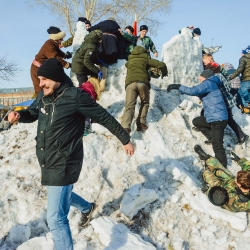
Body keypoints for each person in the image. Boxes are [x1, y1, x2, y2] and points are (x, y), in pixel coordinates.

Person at [8, 58, 135, 250]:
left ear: (57, 78)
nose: (41, 84)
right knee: (59, 193)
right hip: (47, 159)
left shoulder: (75, 96)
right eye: (39, 79)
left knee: (55, 218)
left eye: (44, 79)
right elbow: (33, 113)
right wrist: (19, 116)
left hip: (65, 160)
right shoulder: (43, 95)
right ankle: (87, 208)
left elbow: (104, 117)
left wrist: (125, 139)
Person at [167, 69, 228, 167]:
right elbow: (199, 93)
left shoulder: (209, 83)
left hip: (218, 119)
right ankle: (212, 137)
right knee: (197, 121)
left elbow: (194, 91)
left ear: (205, 76)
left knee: (217, 146)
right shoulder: (211, 84)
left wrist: (178, 86)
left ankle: (222, 169)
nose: (199, 78)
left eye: (200, 76)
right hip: (214, 118)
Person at [121, 45, 168, 134]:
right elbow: (161, 65)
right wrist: (164, 72)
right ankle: (141, 123)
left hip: (130, 84)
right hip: (143, 84)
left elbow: (127, 65)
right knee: (145, 103)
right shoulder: (146, 59)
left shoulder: (129, 61)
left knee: (129, 106)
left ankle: (125, 127)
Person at [202, 55, 249, 144]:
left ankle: (214, 137)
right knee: (228, 119)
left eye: (205, 62)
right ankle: (242, 136)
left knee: (226, 119)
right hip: (225, 99)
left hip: (224, 100)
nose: (204, 65)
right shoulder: (218, 70)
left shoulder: (216, 72)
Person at [194, 145, 250, 212]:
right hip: (229, 183)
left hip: (224, 193)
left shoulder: (237, 201)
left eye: (236, 179)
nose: (235, 178)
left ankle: (207, 172)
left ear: (240, 185)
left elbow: (218, 199)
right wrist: (240, 161)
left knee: (207, 174)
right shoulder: (247, 179)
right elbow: (248, 168)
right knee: (219, 169)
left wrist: (209, 190)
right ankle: (207, 158)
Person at [31, 26, 72, 97]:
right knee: (40, 89)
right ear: (57, 38)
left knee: (51, 86)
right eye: (61, 38)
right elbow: (55, 57)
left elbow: (58, 52)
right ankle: (40, 105)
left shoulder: (53, 44)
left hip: (43, 69)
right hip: (37, 69)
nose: (62, 40)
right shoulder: (49, 45)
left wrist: (66, 55)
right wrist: (67, 64)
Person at [229, 46, 250, 110]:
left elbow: (239, 70)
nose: (241, 54)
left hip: (246, 79)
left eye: (242, 52)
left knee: (240, 94)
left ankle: (246, 109)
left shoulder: (243, 59)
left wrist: (231, 77)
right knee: (247, 94)